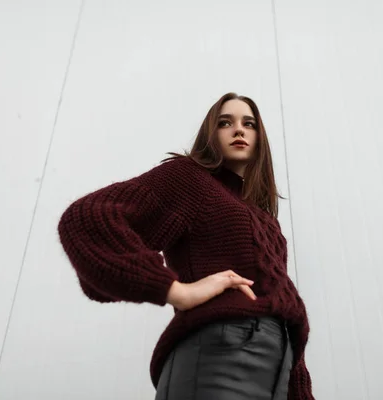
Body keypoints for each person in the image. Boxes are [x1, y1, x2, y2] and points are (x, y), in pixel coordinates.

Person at [57, 92, 315, 399]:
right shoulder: (191, 179)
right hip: (221, 357)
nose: (239, 130)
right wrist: (175, 290)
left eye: (249, 123)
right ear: (210, 133)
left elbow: (283, 313)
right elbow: (89, 217)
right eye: (225, 122)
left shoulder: (265, 219)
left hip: (277, 370)